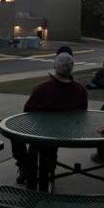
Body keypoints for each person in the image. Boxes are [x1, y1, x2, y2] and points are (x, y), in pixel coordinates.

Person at [12, 50, 88, 184]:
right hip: (70, 133)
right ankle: (47, 164)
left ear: (55, 66)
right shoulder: (80, 90)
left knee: (15, 129)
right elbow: (82, 112)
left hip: (43, 132)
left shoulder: (42, 89)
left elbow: (27, 112)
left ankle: (24, 166)